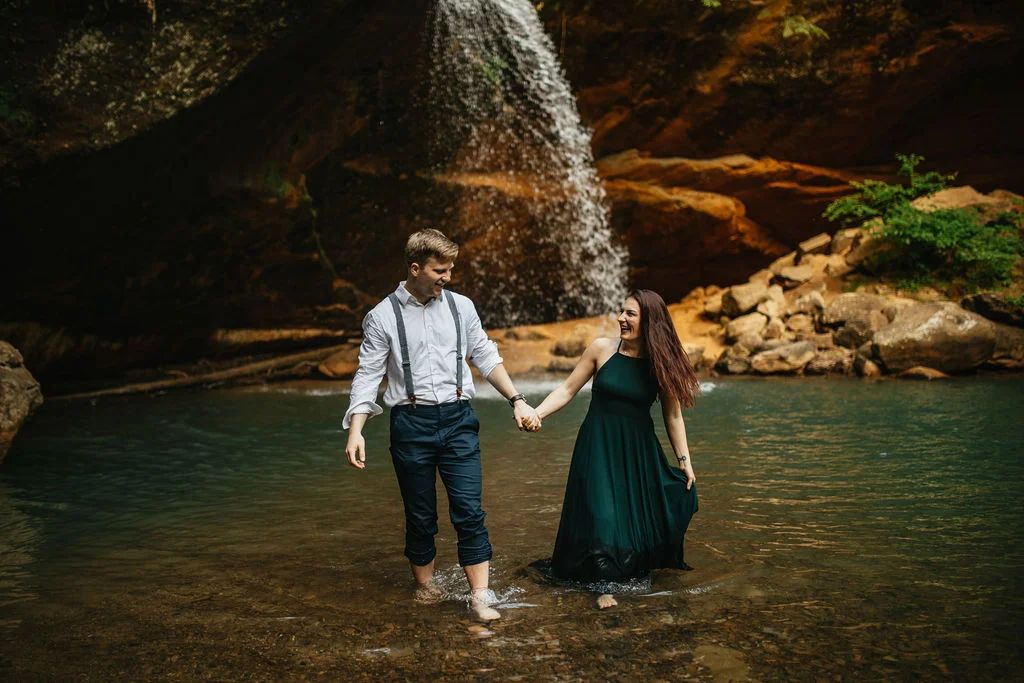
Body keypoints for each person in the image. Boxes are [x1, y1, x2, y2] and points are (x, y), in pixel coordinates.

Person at [343, 228, 538, 623]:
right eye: (439, 269)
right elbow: (368, 376)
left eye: (450, 268)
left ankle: (481, 595)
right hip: (410, 424)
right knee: (420, 514)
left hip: (458, 420)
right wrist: (356, 429)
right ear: (415, 268)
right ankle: (426, 587)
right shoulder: (382, 316)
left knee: (469, 510)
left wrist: (517, 400)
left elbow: (484, 354)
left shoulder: (461, 307)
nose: (447, 276)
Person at [525, 289, 700, 609]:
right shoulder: (601, 350)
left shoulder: (660, 362)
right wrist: (538, 413)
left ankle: (625, 567)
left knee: (626, 518)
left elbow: (673, 416)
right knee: (601, 513)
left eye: (630, 314)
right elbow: (567, 389)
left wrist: (684, 461)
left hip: (636, 452)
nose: (621, 318)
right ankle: (603, 585)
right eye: (622, 312)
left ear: (649, 321)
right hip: (597, 445)